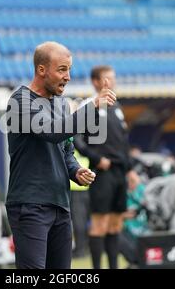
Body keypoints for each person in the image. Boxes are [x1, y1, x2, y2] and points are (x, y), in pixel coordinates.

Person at [5, 41, 116, 269]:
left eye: (69, 69)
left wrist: (75, 170)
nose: (68, 76)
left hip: (60, 204)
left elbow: (65, 150)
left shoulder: (62, 104)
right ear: (41, 70)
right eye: (62, 69)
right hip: (30, 204)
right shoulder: (20, 101)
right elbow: (52, 132)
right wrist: (92, 105)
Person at [74, 65, 130, 269]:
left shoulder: (117, 107)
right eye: (107, 78)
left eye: (113, 78)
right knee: (99, 224)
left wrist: (130, 170)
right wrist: (96, 159)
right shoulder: (90, 105)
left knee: (116, 223)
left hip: (119, 172)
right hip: (102, 172)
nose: (111, 82)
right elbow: (76, 139)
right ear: (96, 82)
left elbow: (124, 141)